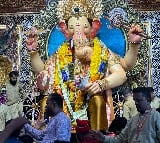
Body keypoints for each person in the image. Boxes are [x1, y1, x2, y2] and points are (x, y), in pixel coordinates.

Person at [25, 0, 142, 131]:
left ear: (94, 27)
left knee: (97, 101)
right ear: (65, 29)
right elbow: (43, 70)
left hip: (91, 99)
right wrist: (33, 52)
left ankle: (98, 137)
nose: (78, 32)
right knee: (47, 101)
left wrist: (100, 84)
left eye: (84, 27)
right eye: (72, 28)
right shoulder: (61, 52)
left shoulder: (101, 50)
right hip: (64, 101)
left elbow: (121, 74)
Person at [89, 87, 160, 143]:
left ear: (148, 100)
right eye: (135, 100)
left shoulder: (156, 117)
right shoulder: (133, 120)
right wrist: (103, 138)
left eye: (139, 100)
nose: (136, 103)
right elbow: (119, 140)